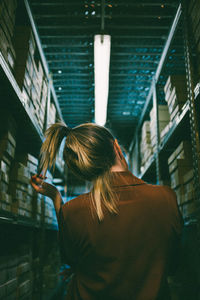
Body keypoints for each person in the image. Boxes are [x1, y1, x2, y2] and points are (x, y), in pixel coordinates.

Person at [30, 122, 183, 300]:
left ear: (83, 170)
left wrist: (56, 198)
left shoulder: (73, 211)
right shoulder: (165, 199)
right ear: (116, 147)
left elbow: (72, 261)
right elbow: (172, 266)